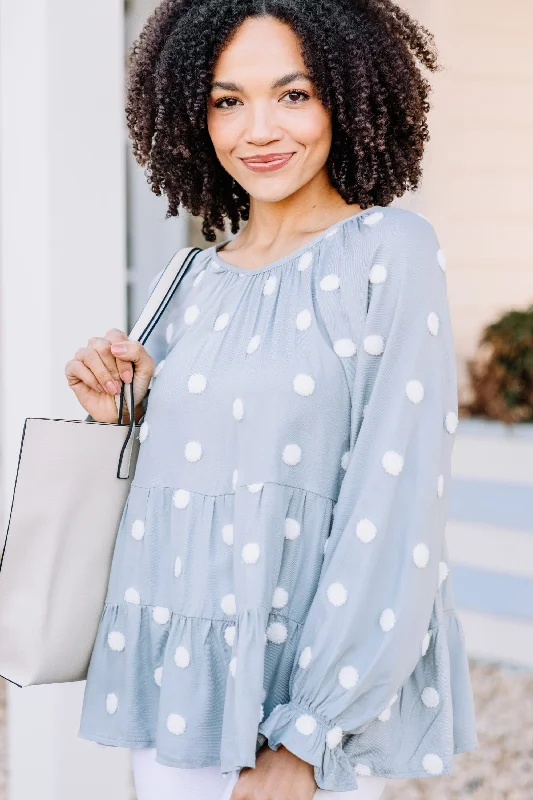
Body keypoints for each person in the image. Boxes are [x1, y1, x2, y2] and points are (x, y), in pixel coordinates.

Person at [66, 1, 478, 798]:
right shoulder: (185, 281)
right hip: (172, 699)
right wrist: (121, 411)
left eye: (293, 94)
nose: (258, 130)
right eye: (227, 100)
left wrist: (308, 736)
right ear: (192, 114)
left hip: (291, 720)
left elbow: (394, 509)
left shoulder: (389, 255)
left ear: (349, 97)